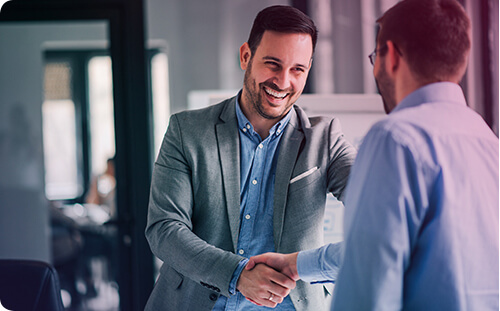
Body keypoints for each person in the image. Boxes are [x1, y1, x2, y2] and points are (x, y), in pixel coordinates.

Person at [247, 0, 499, 310]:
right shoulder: (487, 141)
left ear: (390, 55)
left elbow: (367, 281)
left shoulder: (396, 139)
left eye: (374, 56)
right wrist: (296, 264)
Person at [144, 5, 356, 311]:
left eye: (298, 69)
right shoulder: (186, 131)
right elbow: (164, 229)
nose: (283, 82)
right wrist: (237, 275)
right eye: (272, 64)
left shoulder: (325, 139)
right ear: (246, 56)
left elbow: (381, 214)